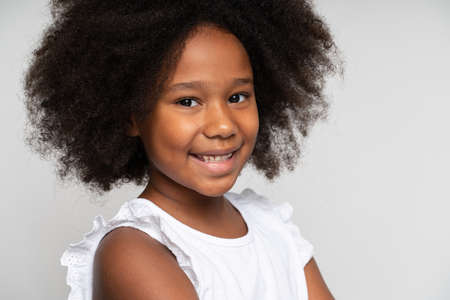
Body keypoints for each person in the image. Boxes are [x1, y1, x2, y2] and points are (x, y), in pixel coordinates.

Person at [23, 0, 341, 299]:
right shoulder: (134, 251)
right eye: (187, 101)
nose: (223, 126)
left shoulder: (273, 228)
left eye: (237, 97)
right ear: (131, 115)